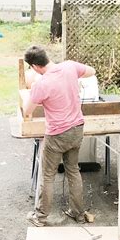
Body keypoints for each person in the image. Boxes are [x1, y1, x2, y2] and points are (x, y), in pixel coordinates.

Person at [21, 45, 96, 227]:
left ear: (35, 67)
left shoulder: (41, 84)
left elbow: (27, 111)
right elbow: (92, 71)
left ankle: (40, 217)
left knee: (47, 176)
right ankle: (78, 213)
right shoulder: (70, 66)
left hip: (57, 135)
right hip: (77, 129)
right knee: (73, 170)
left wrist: (28, 93)